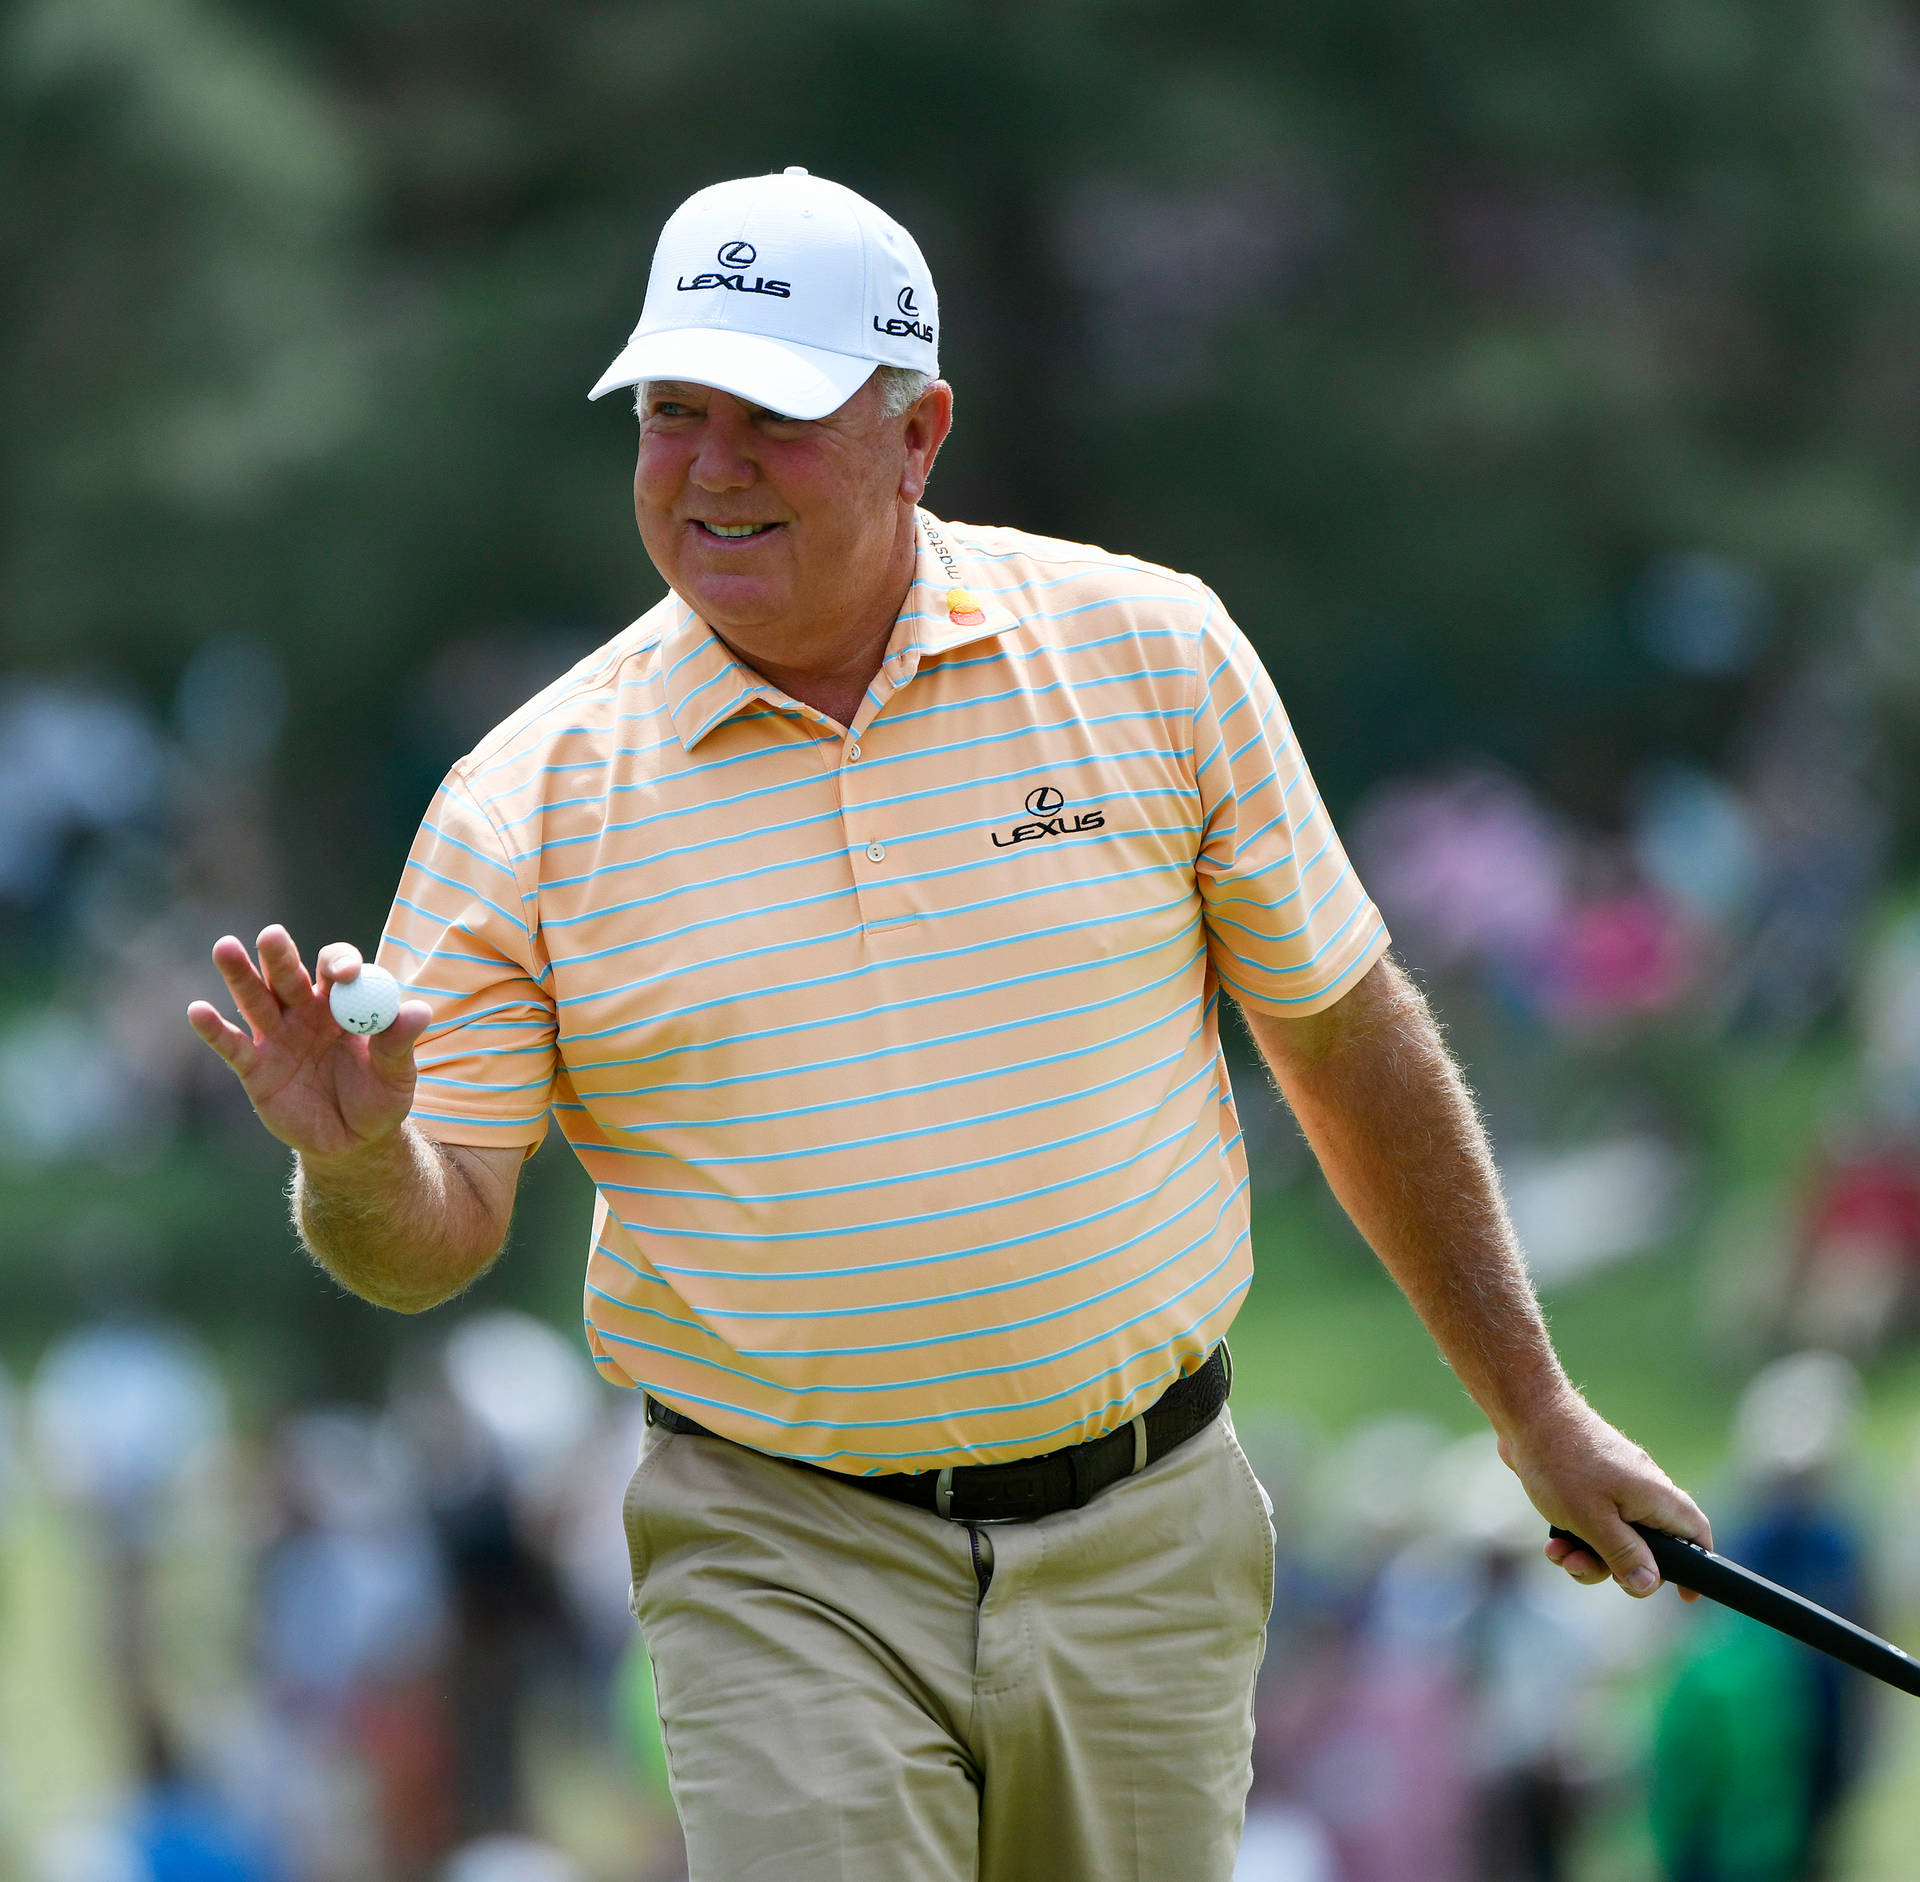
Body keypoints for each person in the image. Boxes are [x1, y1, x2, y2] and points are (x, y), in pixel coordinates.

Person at [188, 167, 1710, 1882]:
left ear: (918, 436)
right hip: (782, 1549)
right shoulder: (525, 799)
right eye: (671, 413)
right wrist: (360, 1155)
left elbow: (1344, 1038)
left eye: (772, 414)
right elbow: (428, 1238)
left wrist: (1537, 1412)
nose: (709, 468)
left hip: (1147, 1533)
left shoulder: (1155, 657)